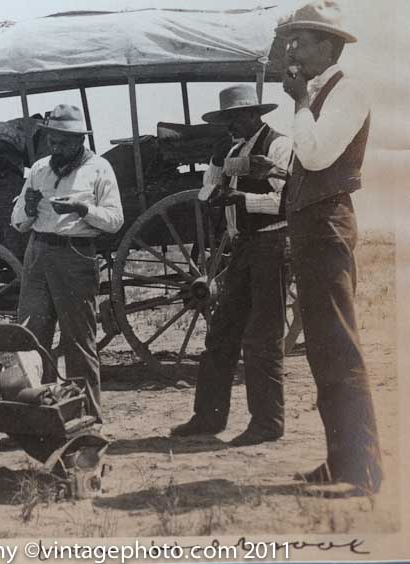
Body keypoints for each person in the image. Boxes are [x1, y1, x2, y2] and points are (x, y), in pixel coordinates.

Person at [277, 0, 382, 493]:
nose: (291, 47)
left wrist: (299, 104)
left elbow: (316, 156)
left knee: (339, 346)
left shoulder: (348, 92)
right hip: (312, 227)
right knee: (322, 350)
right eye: (291, 38)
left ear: (329, 45)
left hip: (329, 226)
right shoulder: (319, 92)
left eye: (302, 39)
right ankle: (341, 461)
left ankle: (362, 470)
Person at [171, 85, 292, 447]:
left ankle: (268, 423)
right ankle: (208, 417)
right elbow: (207, 191)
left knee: (262, 337)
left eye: (237, 118)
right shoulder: (232, 150)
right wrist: (216, 175)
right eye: (227, 119)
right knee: (221, 333)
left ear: (255, 115)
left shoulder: (278, 145)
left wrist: (240, 198)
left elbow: (283, 202)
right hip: (242, 248)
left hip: (271, 242)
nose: (231, 125)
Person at [11, 104, 124, 421]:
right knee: (31, 338)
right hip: (38, 253)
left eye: (62, 142)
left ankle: (86, 420)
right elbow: (18, 221)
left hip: (75, 255)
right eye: (51, 141)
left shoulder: (99, 169)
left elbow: (115, 220)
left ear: (78, 140)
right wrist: (28, 208)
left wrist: (82, 209)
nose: (55, 148)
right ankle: (41, 417)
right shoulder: (39, 170)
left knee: (78, 342)